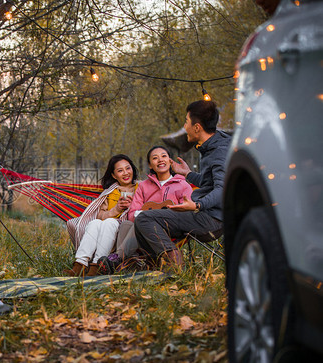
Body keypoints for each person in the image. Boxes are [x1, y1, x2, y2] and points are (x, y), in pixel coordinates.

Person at [134, 100, 231, 270]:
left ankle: (174, 262)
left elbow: (222, 189)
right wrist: (187, 174)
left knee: (144, 218)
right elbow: (210, 183)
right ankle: (155, 266)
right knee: (144, 219)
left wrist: (197, 205)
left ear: (197, 127)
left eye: (186, 121)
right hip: (209, 214)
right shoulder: (214, 145)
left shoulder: (218, 151)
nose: (185, 126)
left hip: (212, 219)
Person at [99, 145, 193, 273]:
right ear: (150, 165)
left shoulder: (182, 185)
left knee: (141, 221)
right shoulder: (143, 186)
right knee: (126, 224)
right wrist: (144, 215)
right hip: (143, 228)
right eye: (155, 158)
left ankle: (118, 259)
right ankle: (129, 262)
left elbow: (188, 212)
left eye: (164, 156)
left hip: (171, 229)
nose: (160, 160)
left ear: (170, 161)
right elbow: (132, 213)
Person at [64, 154, 138, 276]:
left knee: (110, 222)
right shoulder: (110, 192)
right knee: (95, 222)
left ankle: (98, 265)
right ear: (114, 175)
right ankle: (80, 264)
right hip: (104, 233)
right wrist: (117, 209)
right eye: (120, 170)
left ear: (133, 169)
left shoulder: (141, 187)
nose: (125, 173)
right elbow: (99, 215)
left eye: (128, 168)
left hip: (124, 234)